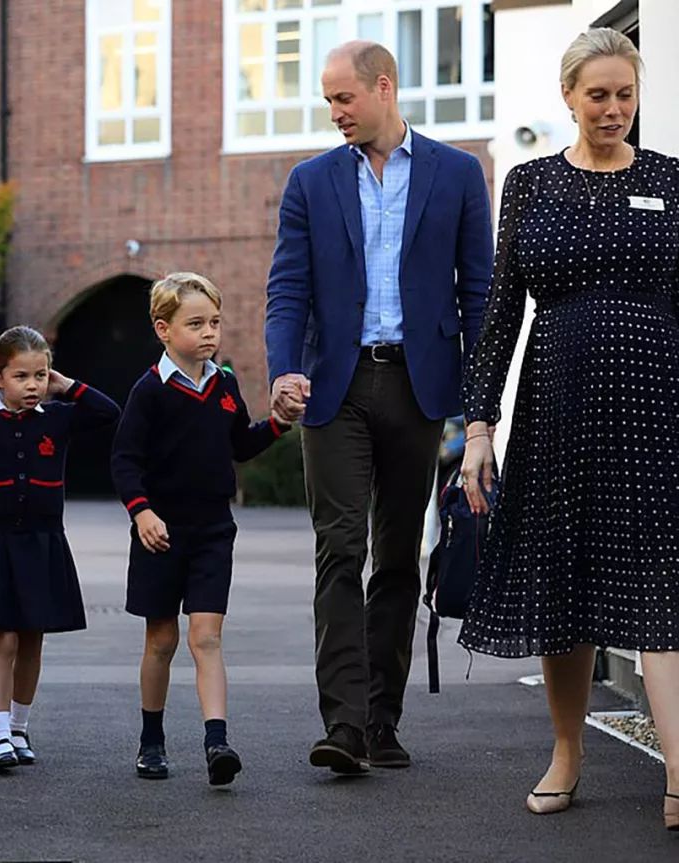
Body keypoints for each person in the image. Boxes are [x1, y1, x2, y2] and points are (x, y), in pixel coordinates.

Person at [458, 29, 679, 830]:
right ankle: (566, 751)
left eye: (625, 93)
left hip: (658, 406)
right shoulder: (530, 184)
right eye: (598, 95)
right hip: (558, 406)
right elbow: (500, 315)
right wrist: (479, 425)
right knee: (567, 575)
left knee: (661, 574)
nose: (614, 109)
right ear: (569, 98)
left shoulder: (670, 181)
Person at [265, 41, 493, 774]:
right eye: (328, 101)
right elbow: (287, 288)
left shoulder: (458, 174)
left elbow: (480, 293)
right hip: (336, 387)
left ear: (383, 88)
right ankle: (344, 723)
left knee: (398, 555)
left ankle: (381, 718)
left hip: (420, 387)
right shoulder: (309, 181)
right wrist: (283, 371)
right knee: (341, 551)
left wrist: (478, 405)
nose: (334, 113)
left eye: (343, 98)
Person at [111, 272, 292, 786]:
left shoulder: (226, 384)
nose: (209, 332)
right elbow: (124, 461)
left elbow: (241, 445)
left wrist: (278, 424)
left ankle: (217, 742)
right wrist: (142, 512)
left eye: (215, 321)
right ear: (163, 329)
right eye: (196, 323)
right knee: (162, 640)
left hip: (214, 530)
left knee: (206, 638)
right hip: (160, 533)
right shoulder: (149, 391)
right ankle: (152, 739)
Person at [0, 326, 120, 772]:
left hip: (44, 542)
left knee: (33, 637)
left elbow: (108, 411)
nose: (33, 385)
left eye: (40, 375)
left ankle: (19, 728)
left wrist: (66, 386)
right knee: (5, 636)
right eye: (22, 376)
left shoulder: (57, 418)